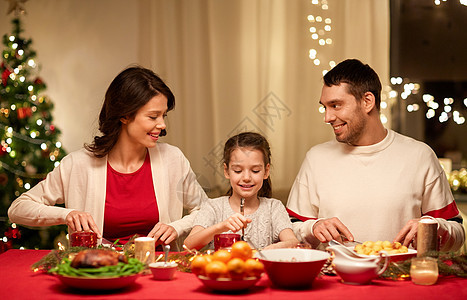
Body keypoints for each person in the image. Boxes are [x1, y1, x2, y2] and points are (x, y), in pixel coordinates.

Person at [8, 66, 208, 250]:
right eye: (153, 116)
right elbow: (18, 208)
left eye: (164, 116)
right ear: (125, 116)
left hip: (157, 274)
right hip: (99, 273)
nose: (162, 124)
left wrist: (177, 227)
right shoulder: (78, 164)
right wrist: (67, 214)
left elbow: (207, 210)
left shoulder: (172, 159)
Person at [286, 59, 465, 251]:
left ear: (367, 101)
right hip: (335, 279)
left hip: (402, 277)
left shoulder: (420, 156)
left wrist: (433, 227)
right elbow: (288, 228)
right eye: (325, 107)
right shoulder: (316, 158)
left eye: (336, 105)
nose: (327, 117)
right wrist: (312, 227)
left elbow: (457, 232)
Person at [184, 132, 299, 250]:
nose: (246, 178)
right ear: (227, 171)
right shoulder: (213, 207)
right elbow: (188, 245)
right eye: (238, 171)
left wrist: (275, 248)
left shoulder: (273, 207)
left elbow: (293, 242)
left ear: (266, 171)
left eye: (255, 171)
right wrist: (220, 227)